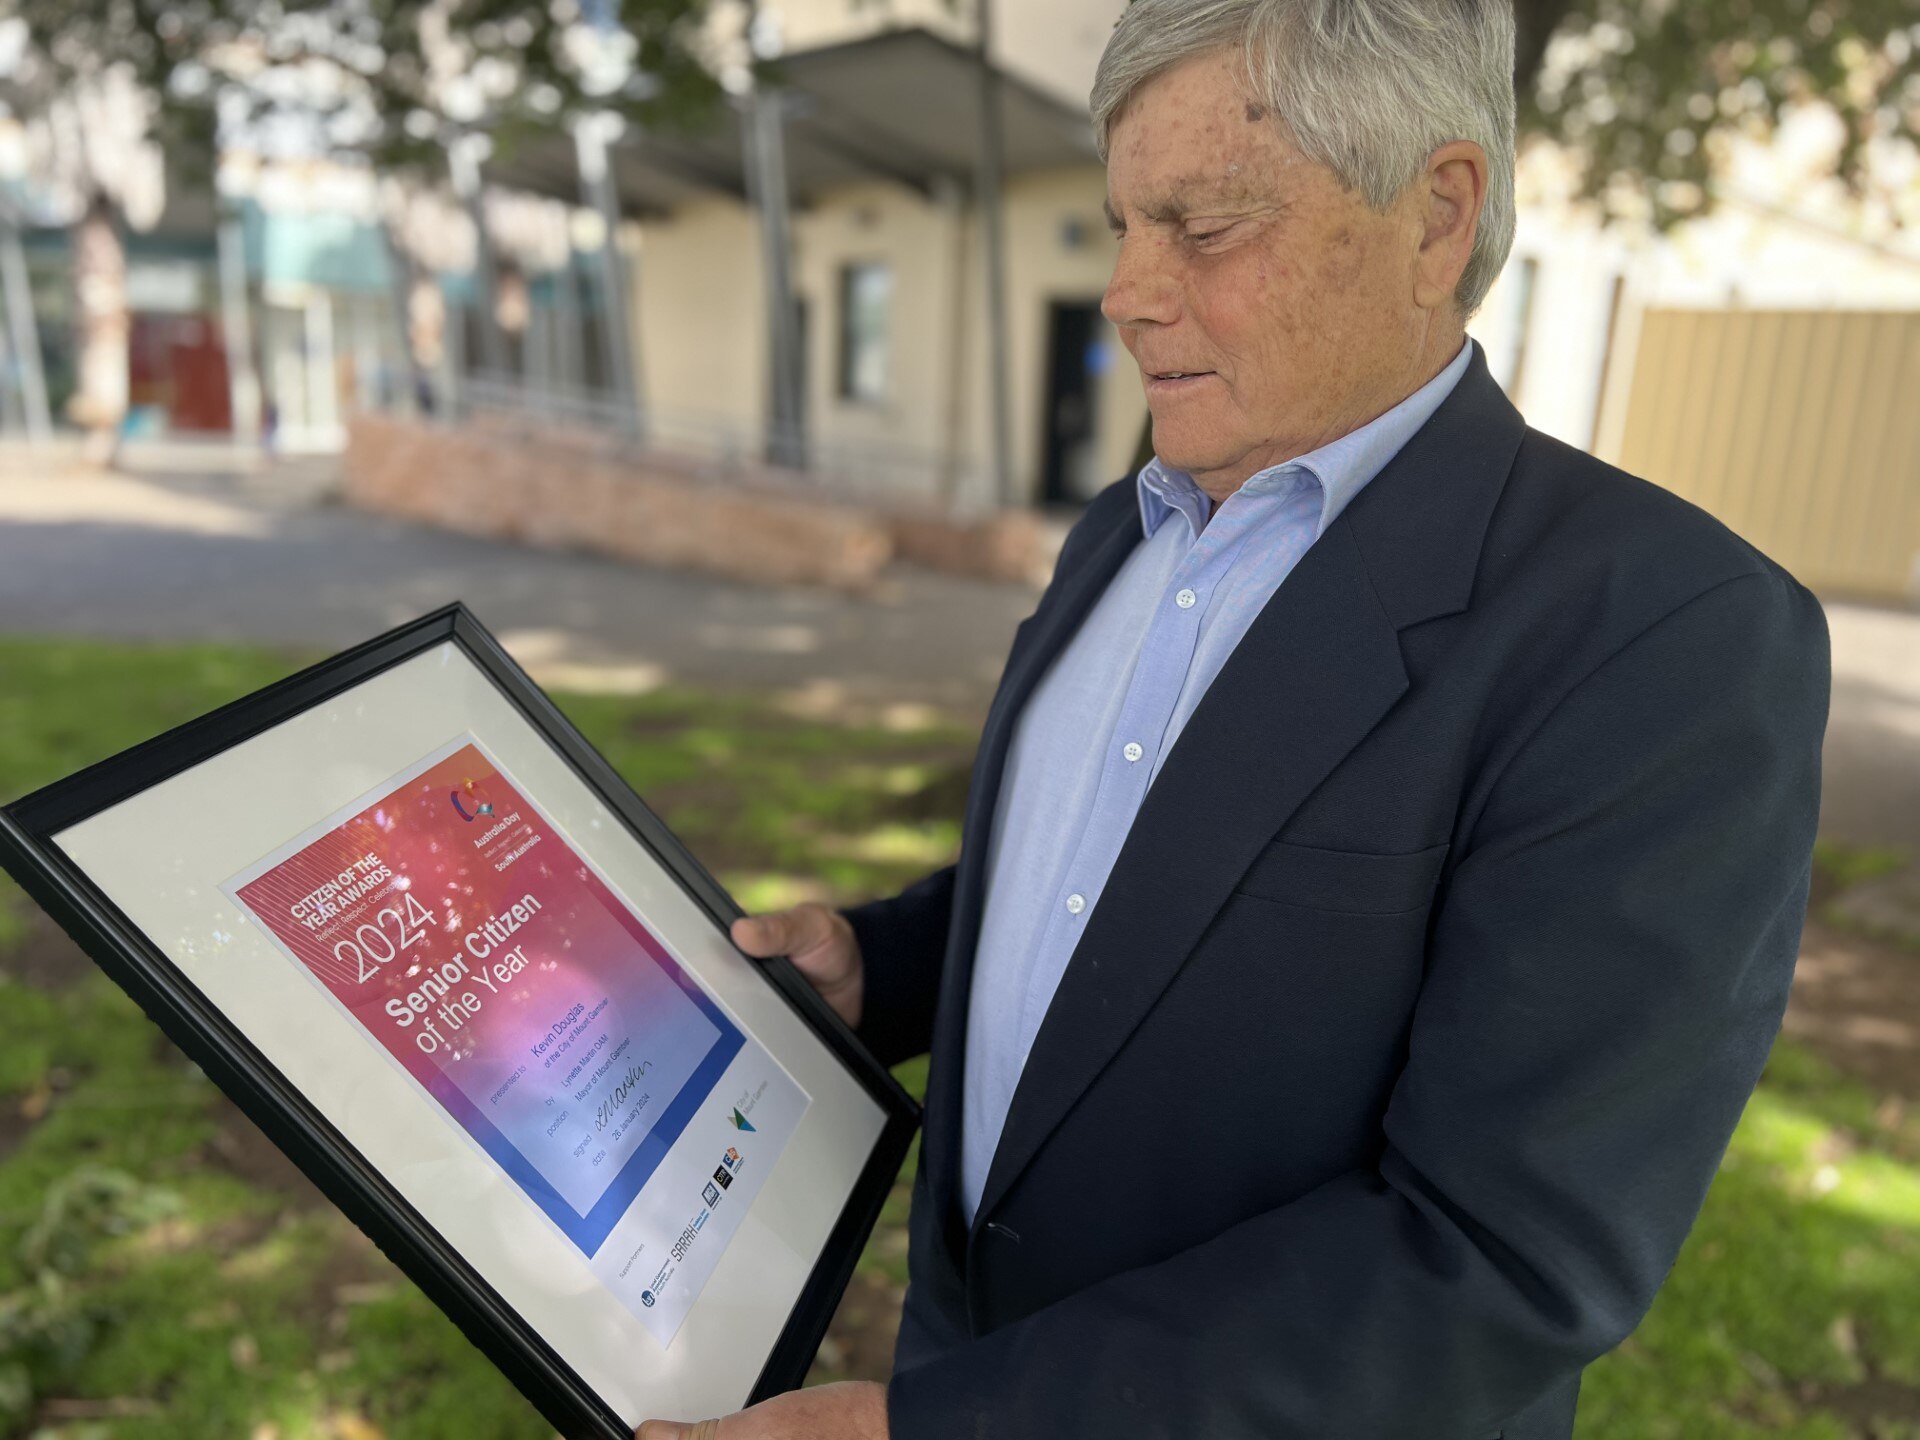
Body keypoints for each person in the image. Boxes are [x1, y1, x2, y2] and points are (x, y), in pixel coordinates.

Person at [639, 1, 1830, 1436]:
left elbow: (1503, 1259)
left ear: (1437, 216)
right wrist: (878, 973)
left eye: (1202, 227)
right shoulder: (1120, 535)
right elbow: (1101, 896)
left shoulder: (1663, 632)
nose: (1127, 292)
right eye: (1124, 224)